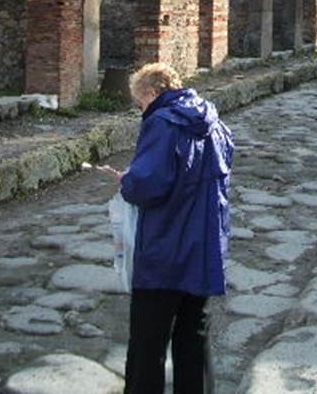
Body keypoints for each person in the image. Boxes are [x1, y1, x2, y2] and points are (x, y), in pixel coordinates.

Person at [102, 63, 234, 394]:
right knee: (194, 336)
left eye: (139, 103)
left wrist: (127, 181)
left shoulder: (162, 122)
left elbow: (148, 183)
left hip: (166, 246)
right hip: (204, 245)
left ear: (152, 93)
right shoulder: (213, 120)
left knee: (149, 340)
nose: (140, 110)